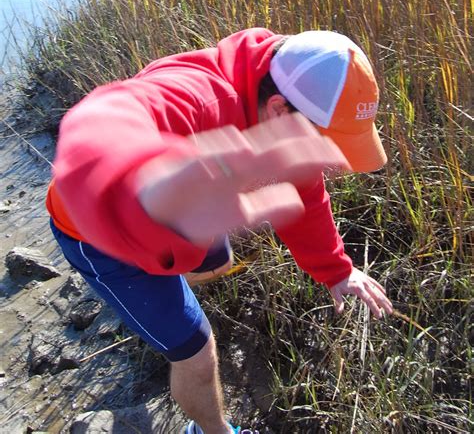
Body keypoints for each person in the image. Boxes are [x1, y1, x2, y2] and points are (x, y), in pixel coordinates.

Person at [47, 28, 393, 434]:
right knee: (195, 351)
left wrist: (336, 269)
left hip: (189, 206)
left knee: (215, 259)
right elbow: (102, 119)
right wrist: (132, 187)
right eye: (329, 146)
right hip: (99, 230)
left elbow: (305, 188)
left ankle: (181, 263)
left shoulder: (279, 84)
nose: (335, 164)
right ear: (280, 110)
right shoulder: (198, 92)